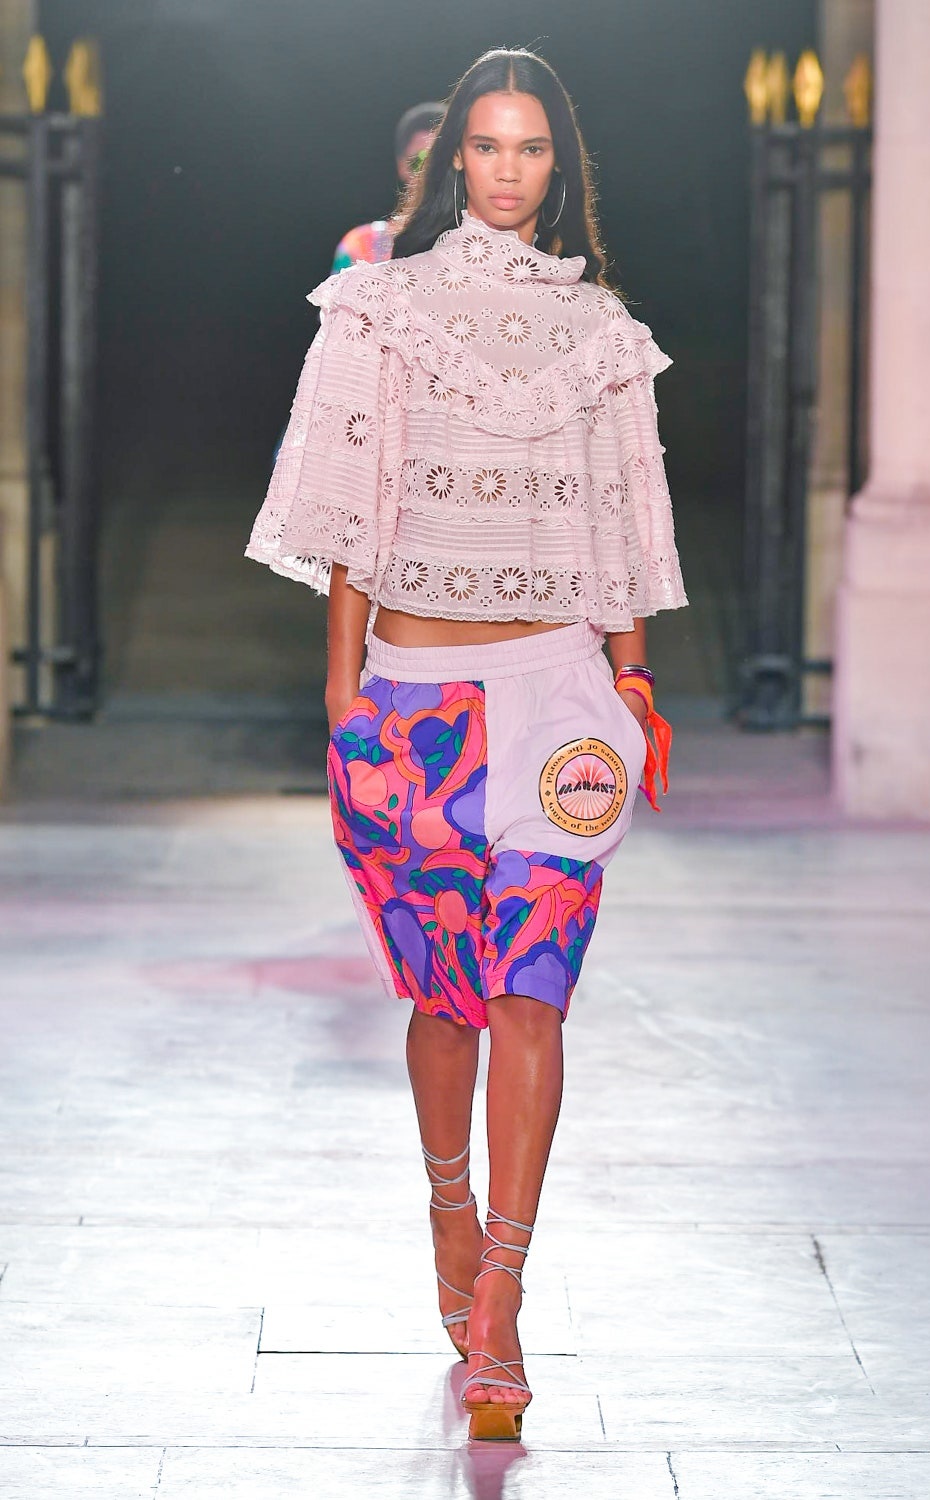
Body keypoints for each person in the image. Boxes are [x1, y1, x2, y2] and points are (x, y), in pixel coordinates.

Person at [246, 46, 686, 1442]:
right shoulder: (379, 309)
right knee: (446, 1003)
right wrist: (344, 698)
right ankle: (449, 1210)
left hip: (560, 700)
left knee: (533, 996)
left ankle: (501, 1292)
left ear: (561, 166)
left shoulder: (602, 330)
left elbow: (619, 521)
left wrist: (632, 683)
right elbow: (353, 509)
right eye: (487, 147)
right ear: (453, 162)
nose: (508, 171)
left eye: (531, 148)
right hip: (417, 711)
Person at [331, 102, 444, 273]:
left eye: (443, 161)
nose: (431, 173)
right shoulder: (362, 245)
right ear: (402, 166)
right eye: (419, 161)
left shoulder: (481, 244)